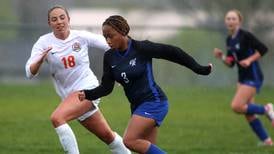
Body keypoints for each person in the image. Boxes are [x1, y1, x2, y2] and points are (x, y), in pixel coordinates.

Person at [79, 15, 212, 154]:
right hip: (137, 106)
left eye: (111, 36)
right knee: (146, 150)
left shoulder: (141, 48)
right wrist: (87, 94)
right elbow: (106, 87)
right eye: (105, 36)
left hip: (154, 101)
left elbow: (173, 53)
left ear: (123, 31)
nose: (107, 41)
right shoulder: (109, 56)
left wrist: (199, 69)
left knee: (129, 141)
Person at [25, 5, 131, 154]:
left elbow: (111, 46)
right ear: (49, 24)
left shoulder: (81, 36)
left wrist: (121, 69)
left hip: (88, 88)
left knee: (57, 118)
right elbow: (29, 73)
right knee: (108, 136)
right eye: (54, 19)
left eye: (62, 17)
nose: (59, 21)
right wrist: (39, 61)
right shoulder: (43, 42)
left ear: (68, 19)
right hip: (69, 97)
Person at [213, 9, 274, 146]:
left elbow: (263, 49)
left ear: (239, 21)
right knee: (248, 112)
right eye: (228, 18)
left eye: (233, 19)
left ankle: (267, 109)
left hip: (253, 75)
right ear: (225, 21)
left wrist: (250, 60)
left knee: (237, 106)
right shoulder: (229, 39)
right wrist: (222, 57)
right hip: (242, 78)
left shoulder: (246, 35)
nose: (230, 21)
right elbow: (231, 63)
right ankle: (267, 141)